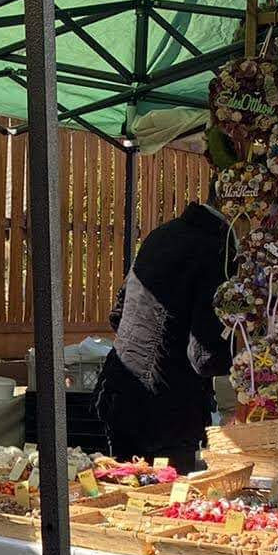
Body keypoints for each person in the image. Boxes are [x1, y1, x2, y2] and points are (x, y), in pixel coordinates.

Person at [94, 199, 235, 469]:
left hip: (120, 387)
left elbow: (118, 314)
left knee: (126, 483)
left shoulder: (162, 233)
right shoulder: (216, 249)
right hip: (169, 408)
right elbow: (204, 357)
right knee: (167, 489)